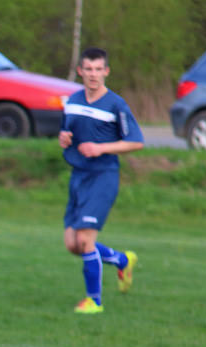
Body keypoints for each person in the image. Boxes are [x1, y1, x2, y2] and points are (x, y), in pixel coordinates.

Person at [58, 47, 143, 314]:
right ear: (80, 71)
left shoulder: (116, 105)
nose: (93, 75)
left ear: (106, 71)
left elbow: (136, 142)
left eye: (98, 69)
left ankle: (94, 301)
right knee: (73, 244)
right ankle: (121, 260)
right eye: (88, 69)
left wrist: (101, 148)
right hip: (78, 177)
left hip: (103, 177)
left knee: (85, 240)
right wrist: (64, 139)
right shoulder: (72, 100)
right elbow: (68, 132)